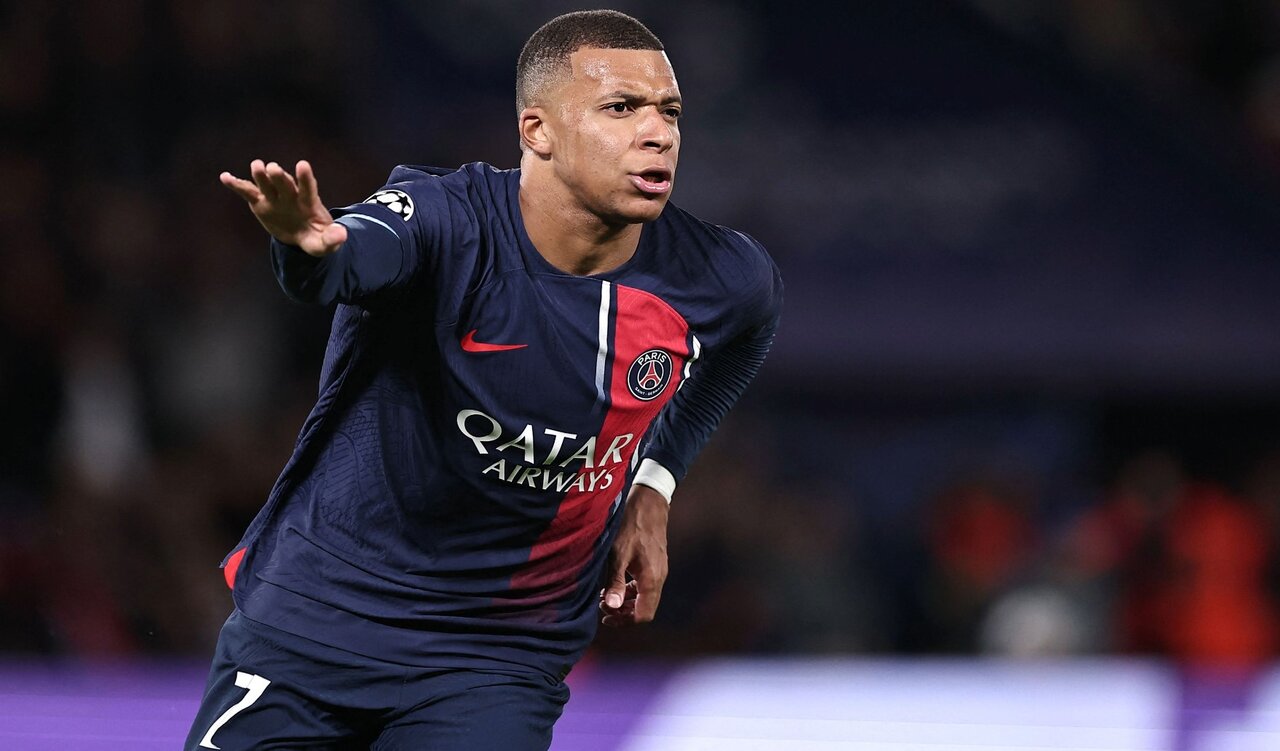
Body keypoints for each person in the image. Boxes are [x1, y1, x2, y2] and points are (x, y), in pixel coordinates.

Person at [186, 9, 781, 750]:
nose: (657, 132)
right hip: (320, 617)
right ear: (538, 131)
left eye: (670, 111)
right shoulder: (446, 221)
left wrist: (654, 484)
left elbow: (746, 333)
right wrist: (310, 248)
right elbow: (348, 257)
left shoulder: (716, 276)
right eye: (622, 107)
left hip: (495, 656)